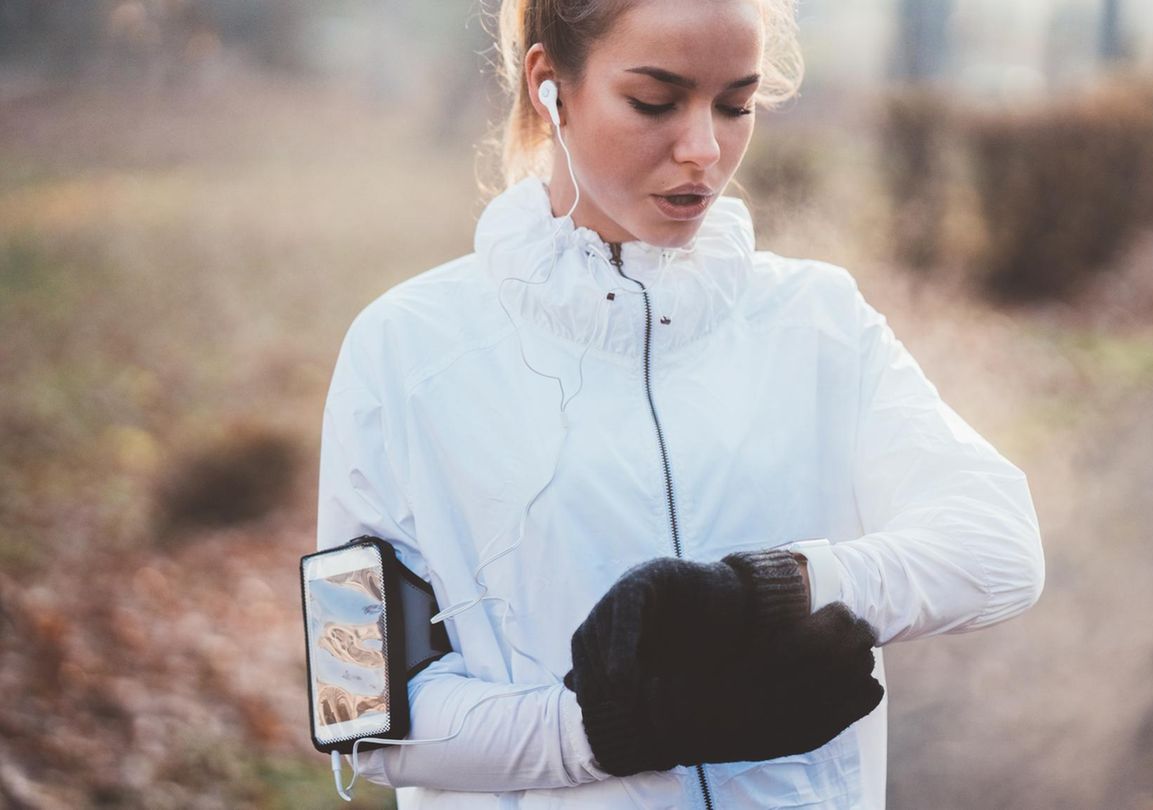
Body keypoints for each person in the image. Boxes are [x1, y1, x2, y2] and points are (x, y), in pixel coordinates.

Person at [313, 0, 1046, 807]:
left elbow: (1001, 546)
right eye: (656, 102)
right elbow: (360, 709)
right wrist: (606, 734)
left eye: (736, 105)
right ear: (549, 84)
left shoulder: (819, 318)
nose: (705, 149)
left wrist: (785, 587)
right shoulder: (401, 351)